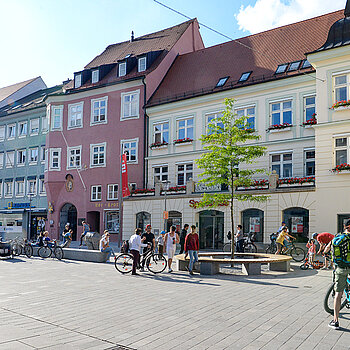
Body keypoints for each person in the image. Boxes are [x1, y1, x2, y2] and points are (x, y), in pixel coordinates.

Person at [325, 219, 350, 330]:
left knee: (338, 294)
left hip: (341, 268)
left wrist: (325, 252)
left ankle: (335, 321)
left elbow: (327, 249)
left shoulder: (338, 237)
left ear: (345, 226)